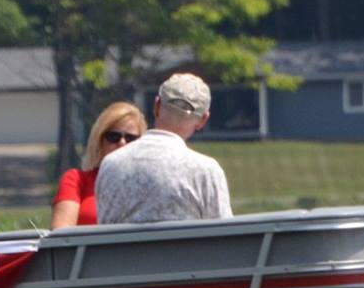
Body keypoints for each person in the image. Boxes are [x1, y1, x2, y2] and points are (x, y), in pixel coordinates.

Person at [94, 74, 233, 224]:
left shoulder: (111, 164)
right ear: (203, 120)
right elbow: (226, 237)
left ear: (157, 106)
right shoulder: (206, 171)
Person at [51, 101, 146, 228]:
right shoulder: (76, 180)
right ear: (99, 141)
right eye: (113, 136)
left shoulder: (148, 185)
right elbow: (61, 235)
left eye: (131, 138)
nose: (122, 143)